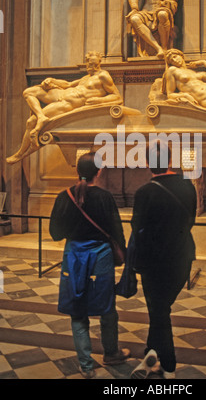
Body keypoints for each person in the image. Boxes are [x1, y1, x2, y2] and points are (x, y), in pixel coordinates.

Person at [49, 152, 130, 379]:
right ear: (99, 171)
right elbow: (116, 231)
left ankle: (86, 366)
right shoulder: (105, 197)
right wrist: (122, 256)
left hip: (74, 256)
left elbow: (55, 234)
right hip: (101, 256)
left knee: (77, 310)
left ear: (77, 170)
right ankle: (111, 352)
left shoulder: (64, 197)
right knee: (107, 307)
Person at [130, 141, 197, 379]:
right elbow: (191, 220)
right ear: (170, 161)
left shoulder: (144, 192)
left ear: (147, 164)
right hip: (182, 258)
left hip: (154, 263)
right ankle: (150, 351)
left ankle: (168, 365)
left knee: (159, 311)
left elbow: (137, 228)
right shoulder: (188, 187)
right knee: (160, 309)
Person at [6, 51, 123, 164]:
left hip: (68, 103)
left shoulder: (103, 76)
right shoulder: (86, 78)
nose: (90, 66)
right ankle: (41, 116)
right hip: (62, 94)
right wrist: (52, 80)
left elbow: (117, 97)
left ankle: (21, 153)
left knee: (31, 121)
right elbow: (68, 85)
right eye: (88, 63)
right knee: (29, 92)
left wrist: (99, 100)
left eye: (93, 64)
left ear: (99, 63)